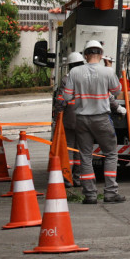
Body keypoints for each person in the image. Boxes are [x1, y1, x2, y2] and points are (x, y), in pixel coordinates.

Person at [64, 39, 128, 204]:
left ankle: (90, 195)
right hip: (101, 118)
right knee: (111, 153)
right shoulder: (107, 72)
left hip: (81, 119)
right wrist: (109, 69)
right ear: (100, 55)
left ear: (85, 55)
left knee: (85, 155)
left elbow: (66, 97)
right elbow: (117, 92)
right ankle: (110, 193)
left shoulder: (75, 72)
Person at [53, 51, 85, 187]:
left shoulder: (67, 80)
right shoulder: (87, 78)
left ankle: (67, 178)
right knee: (80, 150)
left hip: (70, 120)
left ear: (70, 66)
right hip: (84, 120)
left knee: (69, 149)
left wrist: (56, 116)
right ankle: (78, 179)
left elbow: (61, 101)